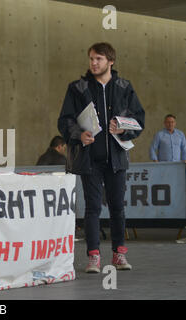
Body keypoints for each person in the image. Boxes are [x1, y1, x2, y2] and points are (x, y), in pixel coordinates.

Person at [58, 42, 145, 273]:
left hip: (116, 159)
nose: (93, 63)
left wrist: (124, 130)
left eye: (98, 59)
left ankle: (119, 254)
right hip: (89, 160)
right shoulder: (77, 88)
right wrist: (79, 134)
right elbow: (65, 120)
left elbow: (139, 119)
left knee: (118, 208)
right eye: (91, 59)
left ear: (110, 61)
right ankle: (94, 257)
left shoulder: (124, 87)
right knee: (93, 208)